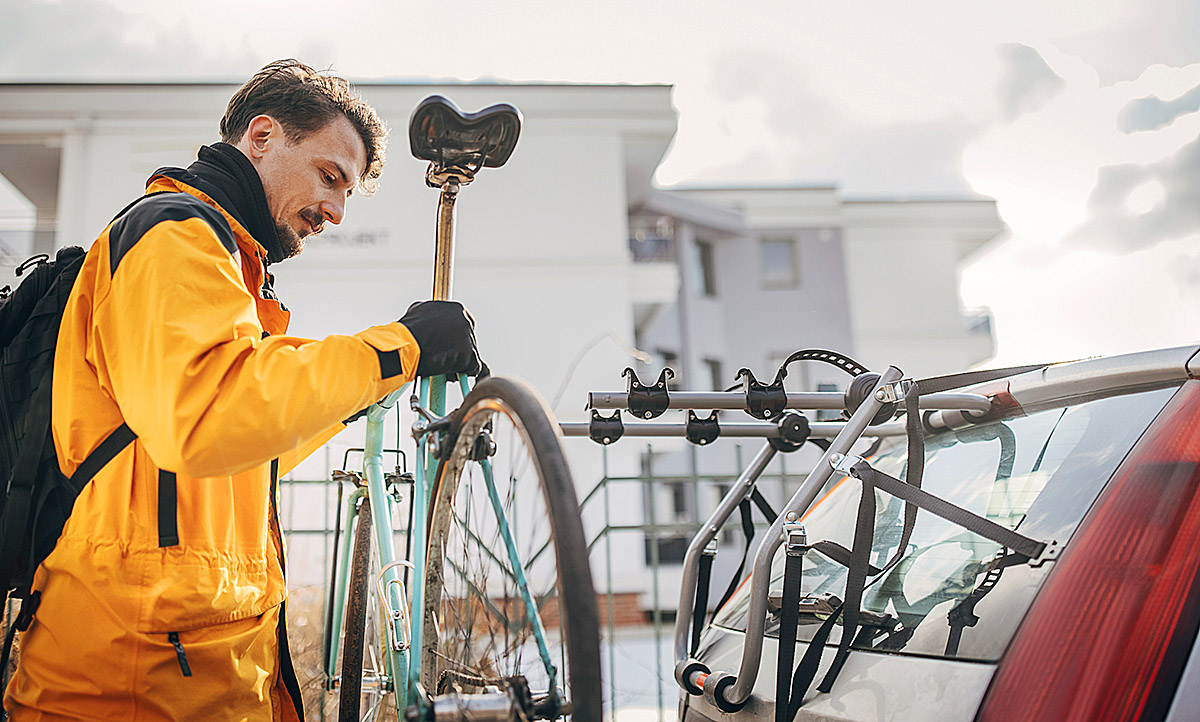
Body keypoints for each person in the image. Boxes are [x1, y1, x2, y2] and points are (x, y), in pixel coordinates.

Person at [4, 59, 481, 721]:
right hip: (127, 686)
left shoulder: (231, 263)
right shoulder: (173, 237)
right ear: (261, 137)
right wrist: (398, 346)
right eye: (329, 176)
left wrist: (368, 387)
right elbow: (208, 418)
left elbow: (250, 452)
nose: (337, 212)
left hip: (198, 669)